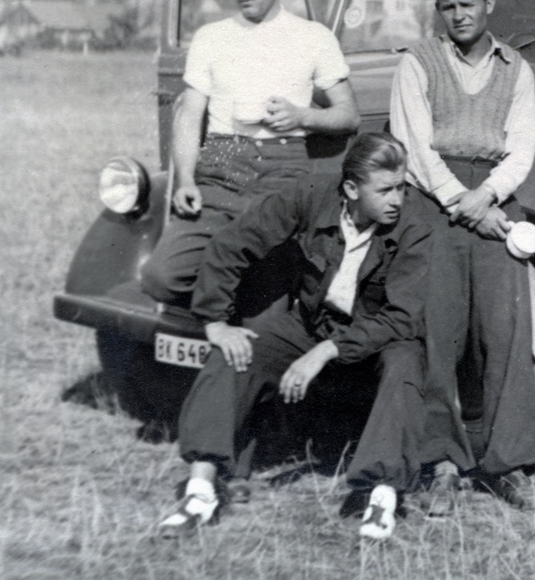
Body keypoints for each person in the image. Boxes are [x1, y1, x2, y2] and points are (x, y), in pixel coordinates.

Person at [156, 134, 430, 542]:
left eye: (402, 187)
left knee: (405, 364)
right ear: (351, 190)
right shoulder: (311, 194)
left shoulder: (413, 224)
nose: (397, 199)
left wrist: (326, 351)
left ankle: (381, 496)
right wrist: (215, 321)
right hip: (314, 326)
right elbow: (233, 243)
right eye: (386, 190)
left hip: (376, 338)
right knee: (238, 349)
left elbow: (402, 318)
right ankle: (200, 491)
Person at [388, 0, 535, 511]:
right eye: (448, 6)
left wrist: (488, 197)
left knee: (505, 329)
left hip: (495, 200)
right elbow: (413, 145)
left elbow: (522, 146)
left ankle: (508, 462)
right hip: (433, 204)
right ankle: (441, 464)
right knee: (437, 333)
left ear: (489, 6)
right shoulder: (416, 63)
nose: (458, 15)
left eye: (468, 5)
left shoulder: (516, 68)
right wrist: (461, 201)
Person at [141, 0, 359, 306]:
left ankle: (246, 323)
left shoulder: (313, 38)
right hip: (222, 163)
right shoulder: (211, 38)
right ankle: (228, 317)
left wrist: (302, 115)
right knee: (161, 277)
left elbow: (348, 116)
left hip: (284, 165)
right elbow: (190, 113)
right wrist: (186, 180)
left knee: (269, 278)